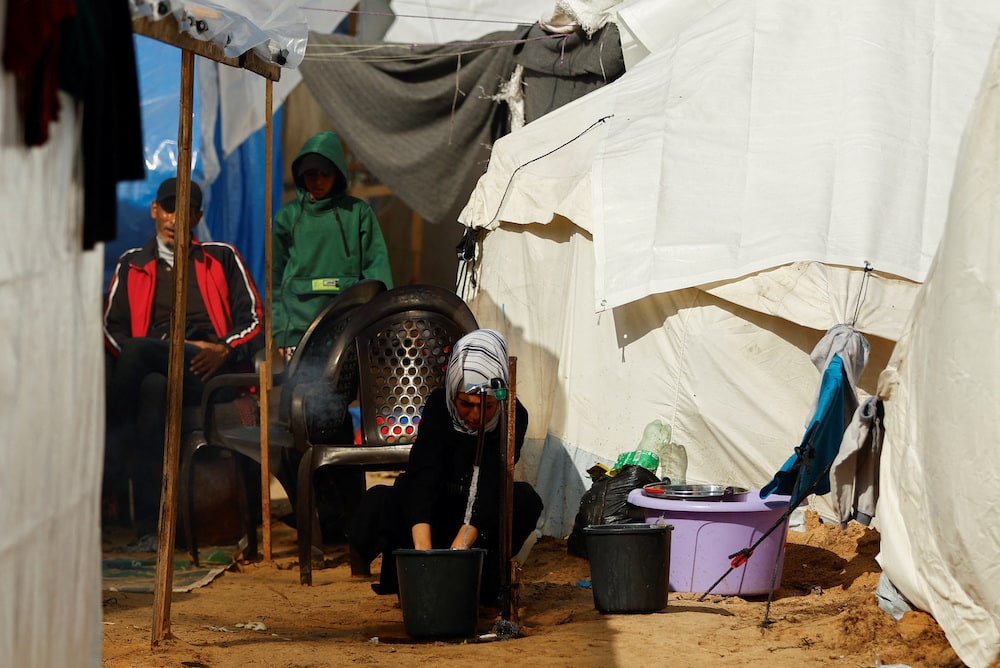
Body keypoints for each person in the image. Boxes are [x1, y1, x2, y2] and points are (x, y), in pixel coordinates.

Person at [102, 176, 264, 534]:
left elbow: (255, 320)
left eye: (186, 211)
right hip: (152, 372)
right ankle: (157, 529)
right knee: (152, 387)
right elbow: (110, 330)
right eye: (169, 209)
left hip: (208, 372)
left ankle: (110, 454)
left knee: (137, 351)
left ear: (197, 217)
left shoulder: (223, 257)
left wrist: (223, 349)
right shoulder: (131, 265)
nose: (176, 218)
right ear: (155, 211)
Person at [348, 329, 544, 607]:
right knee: (380, 500)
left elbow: (490, 484)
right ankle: (409, 574)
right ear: (453, 392)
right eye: (466, 404)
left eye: (485, 407)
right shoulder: (440, 405)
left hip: (477, 528)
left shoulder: (512, 414)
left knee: (524, 499)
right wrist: (426, 562)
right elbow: (424, 475)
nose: (475, 416)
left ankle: (480, 577)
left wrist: (456, 559)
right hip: (433, 516)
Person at [272, 130, 393, 354]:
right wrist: (280, 333)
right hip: (299, 331)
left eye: (324, 175)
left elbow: (377, 271)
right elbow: (275, 280)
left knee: (344, 388)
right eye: (311, 175)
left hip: (348, 329)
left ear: (337, 174)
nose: (317, 182)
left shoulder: (358, 213)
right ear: (300, 176)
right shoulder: (287, 217)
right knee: (301, 388)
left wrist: (382, 320)